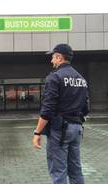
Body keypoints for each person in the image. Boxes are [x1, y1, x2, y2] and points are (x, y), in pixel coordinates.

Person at [32, 43, 89, 184]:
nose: (51, 61)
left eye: (53, 57)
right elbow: (86, 107)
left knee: (58, 172)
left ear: (59, 57)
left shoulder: (55, 77)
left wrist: (37, 133)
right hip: (77, 128)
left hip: (60, 130)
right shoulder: (81, 78)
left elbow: (47, 109)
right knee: (75, 170)